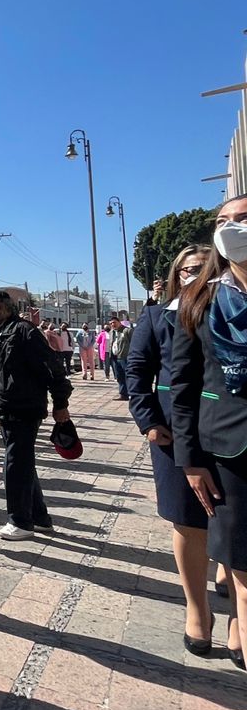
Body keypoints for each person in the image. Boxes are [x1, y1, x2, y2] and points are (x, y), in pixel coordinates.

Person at [171, 193, 247, 671]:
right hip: (229, 449)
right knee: (244, 570)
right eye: (224, 220)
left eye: (242, 219)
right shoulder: (202, 300)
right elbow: (180, 384)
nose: (231, 227)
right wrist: (189, 458)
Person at [126, 244, 214, 652]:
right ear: (176, 274)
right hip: (172, 428)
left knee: (229, 518)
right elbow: (137, 370)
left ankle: (234, 593)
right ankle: (198, 609)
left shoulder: (227, 311)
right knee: (187, 518)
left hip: (226, 426)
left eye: (204, 269)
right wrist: (147, 421)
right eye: (187, 270)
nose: (195, 276)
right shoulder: (158, 314)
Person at [0, 289, 72, 542]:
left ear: (1, 308)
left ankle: (19, 521)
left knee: (14, 464)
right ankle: (40, 518)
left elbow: (53, 370)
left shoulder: (25, 332)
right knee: (22, 462)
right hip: (6, 408)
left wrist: (60, 404)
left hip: (24, 408)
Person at [109, 314, 132, 399]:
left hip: (125, 357)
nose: (112, 325)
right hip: (115, 358)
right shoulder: (111, 332)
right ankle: (123, 394)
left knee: (128, 376)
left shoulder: (127, 331)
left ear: (119, 322)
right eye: (111, 323)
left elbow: (133, 343)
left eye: (114, 322)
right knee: (119, 376)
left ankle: (132, 393)